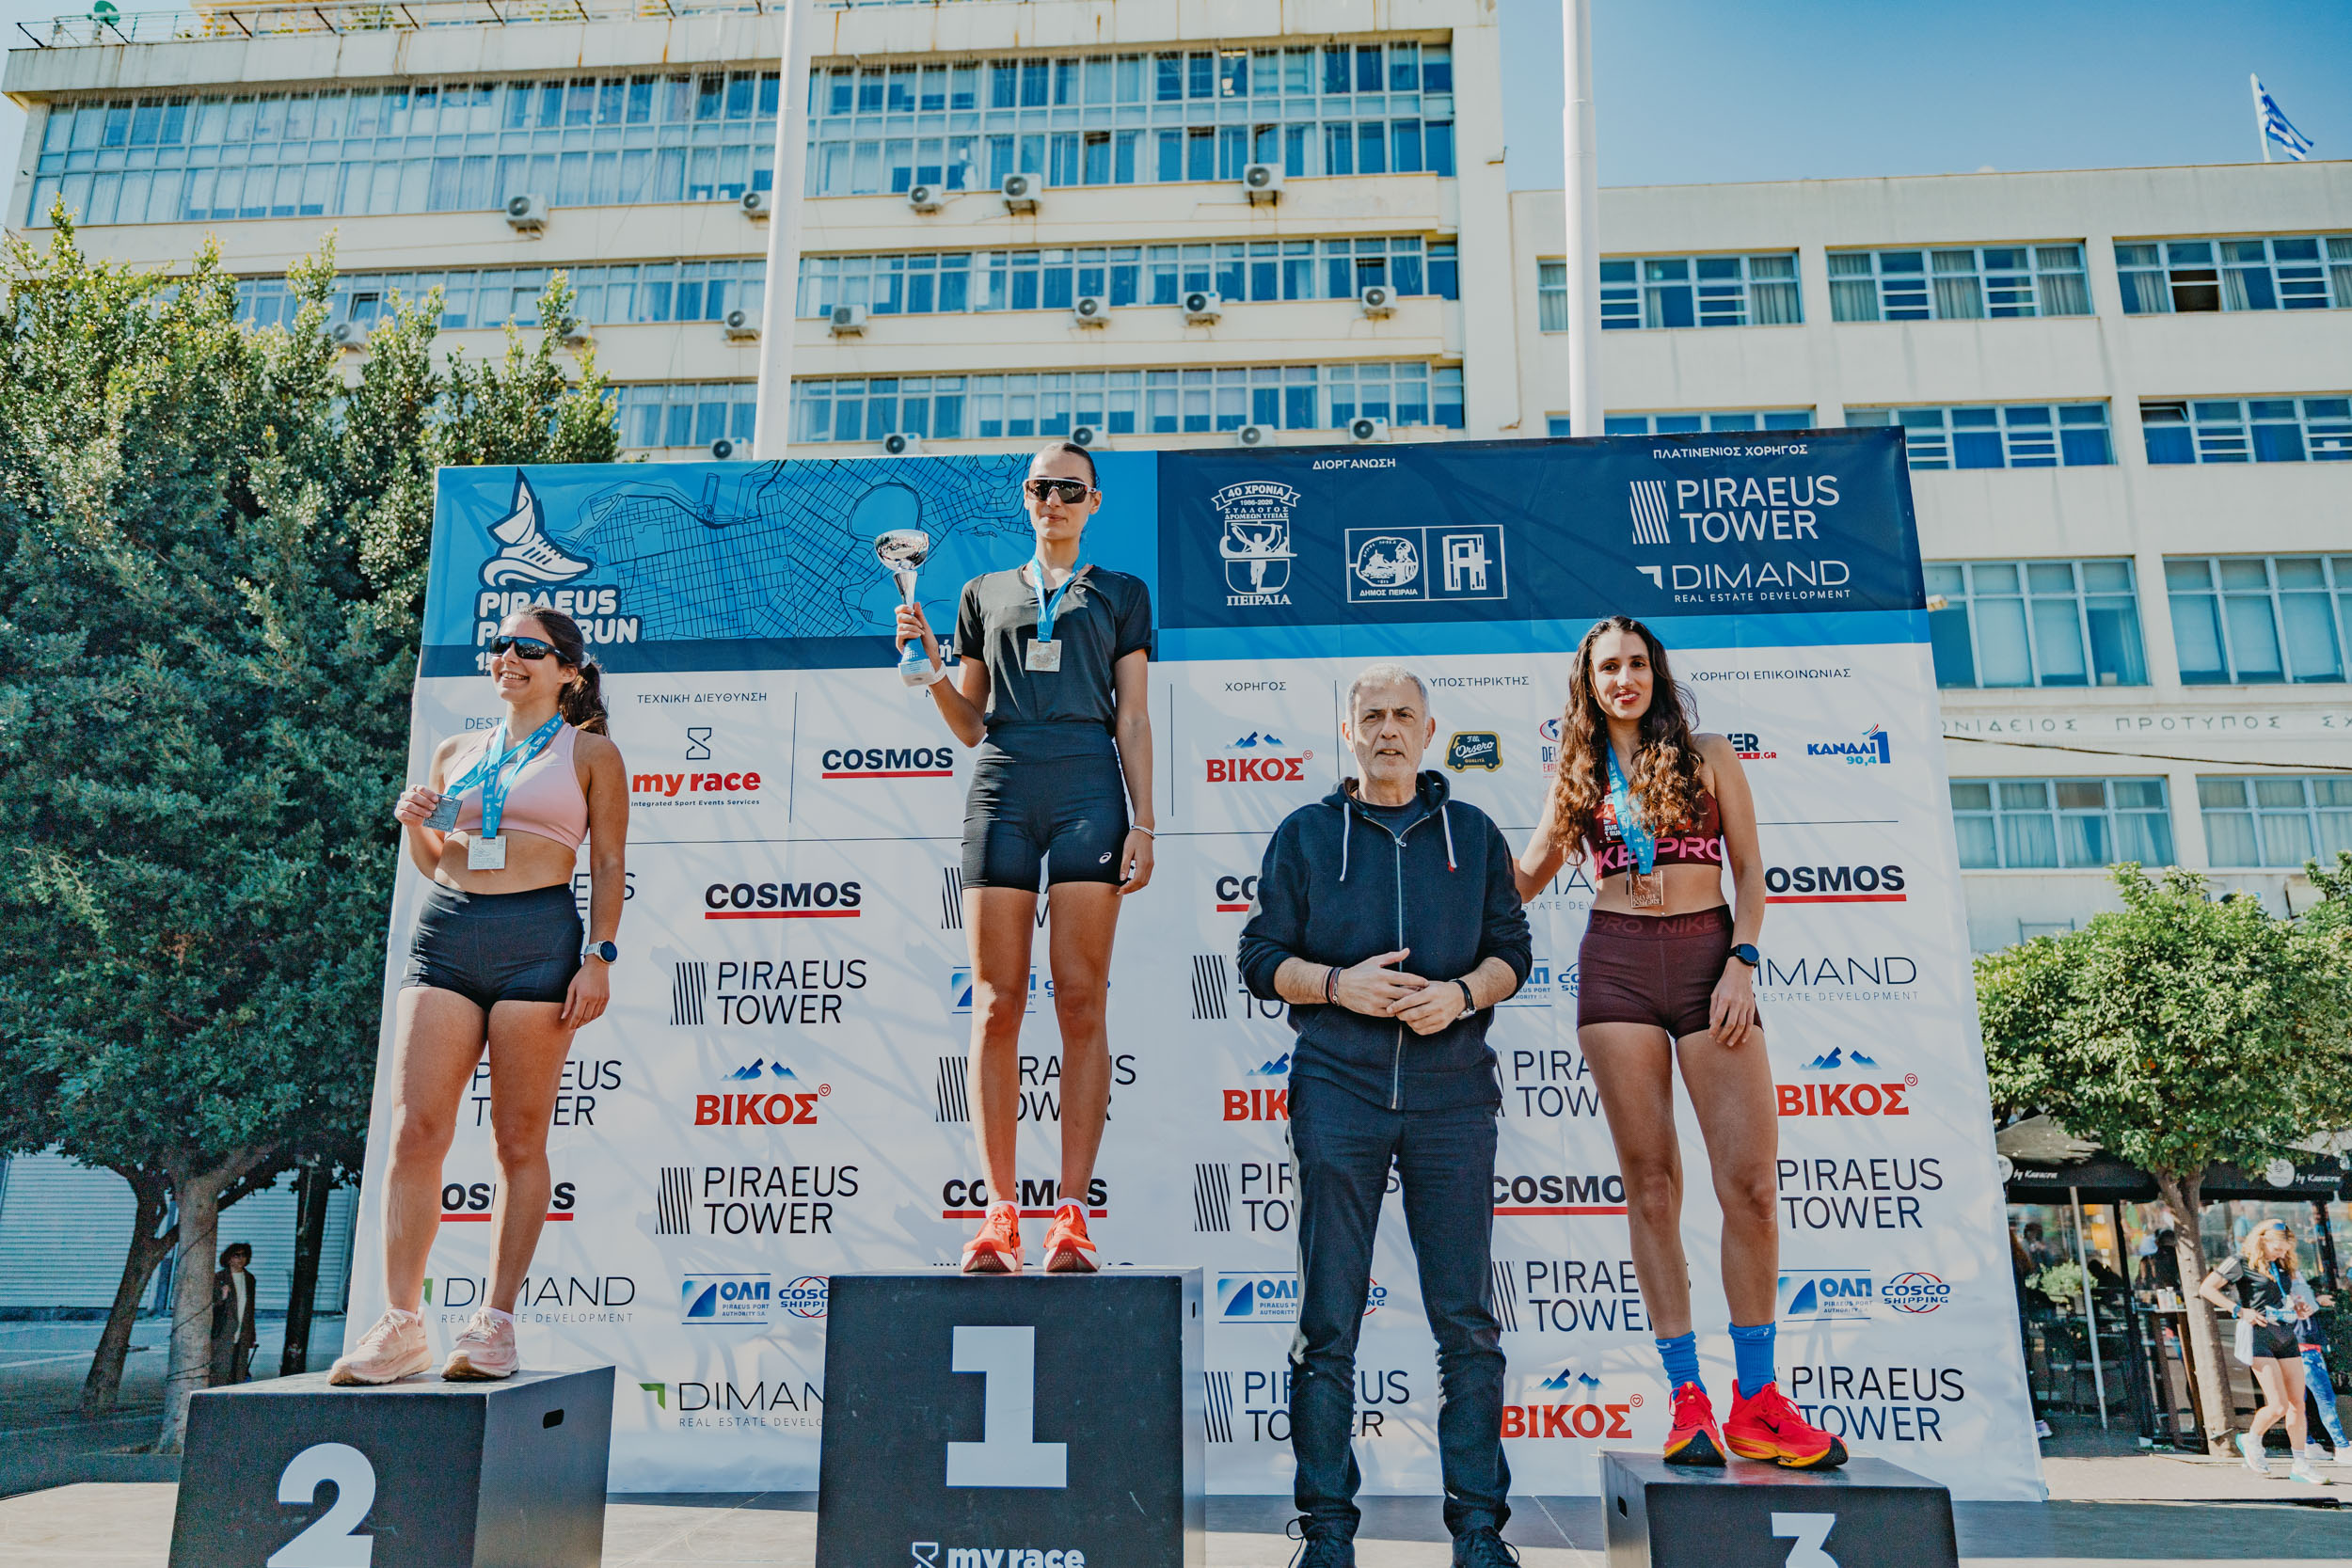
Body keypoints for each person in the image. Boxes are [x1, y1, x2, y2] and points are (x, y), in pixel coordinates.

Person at [1514, 615, 1844, 1471]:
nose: (1623, 679)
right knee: (1653, 1187)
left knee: (1753, 1189)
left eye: (1635, 663)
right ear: (1588, 684)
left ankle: (1758, 1402)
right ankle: (1687, 1395)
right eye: (1606, 668)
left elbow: (1753, 874)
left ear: (1655, 671)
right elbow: (1520, 880)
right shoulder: (1577, 774)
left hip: (1709, 962)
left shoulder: (1709, 753)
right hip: (1616, 968)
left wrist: (1742, 960)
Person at [1237, 664, 1530, 1568]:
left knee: (1466, 1323)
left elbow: (1513, 953)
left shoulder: (1473, 834)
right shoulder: (1305, 833)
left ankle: (1479, 1532)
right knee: (1328, 1321)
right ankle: (1327, 1533)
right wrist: (1338, 985)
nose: (1389, 729)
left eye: (1404, 714)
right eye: (1372, 716)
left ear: (1430, 730)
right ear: (1349, 731)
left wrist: (1461, 994)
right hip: (1339, 1090)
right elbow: (1259, 957)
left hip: (1453, 1096)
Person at [330, 607, 628, 1385]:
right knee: (415, 1131)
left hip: (539, 939)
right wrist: (414, 825)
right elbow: (437, 861)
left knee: (518, 1141)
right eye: (500, 644)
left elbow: (607, 862)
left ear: (567, 670)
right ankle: (402, 1324)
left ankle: (495, 1321)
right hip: (448, 932)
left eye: (529, 648)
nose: (508, 657)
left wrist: (599, 957)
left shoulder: (591, 752)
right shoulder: (455, 751)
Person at [896, 442, 1155, 1275]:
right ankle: (999, 1213)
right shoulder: (983, 593)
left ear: (1094, 502)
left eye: (1070, 489)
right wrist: (930, 670)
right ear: (1025, 496)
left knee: (1080, 1001)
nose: (1055, 500)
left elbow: (1133, 717)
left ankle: (1071, 1214)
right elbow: (970, 725)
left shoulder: (1122, 592)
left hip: (1088, 786)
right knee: (996, 1004)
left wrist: (1146, 822)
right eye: (1042, 487)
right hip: (1003, 784)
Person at [2200, 1218, 2328, 1484]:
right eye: (2277, 1248)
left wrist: (2298, 1308)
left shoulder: (2282, 1264)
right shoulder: (2240, 1261)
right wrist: (2238, 1310)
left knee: (2297, 1403)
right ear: (2262, 1240)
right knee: (2278, 1405)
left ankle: (2301, 1464)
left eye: (2285, 1249)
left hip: (2286, 1333)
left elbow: (2281, 1297)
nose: (2281, 1253)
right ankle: (2252, 1439)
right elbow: (2206, 1288)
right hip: (2258, 1335)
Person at [2289, 1273, 2348, 1463]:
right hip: (2306, 1347)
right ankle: (2342, 1446)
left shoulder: (2282, 1278)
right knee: (2325, 1398)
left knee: (2299, 1401)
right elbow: (2306, 1306)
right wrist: (2317, 1300)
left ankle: (2308, 1444)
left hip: (2296, 1346)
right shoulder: (2288, 1278)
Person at [209, 1242, 258, 1386]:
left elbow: (250, 1308)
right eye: (237, 1255)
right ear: (229, 1258)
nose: (241, 1259)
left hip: (243, 1330)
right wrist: (222, 1297)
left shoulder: (249, 1279)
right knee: (221, 1368)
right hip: (223, 1330)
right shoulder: (220, 1277)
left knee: (239, 1368)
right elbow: (212, 1304)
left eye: (244, 1255)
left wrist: (252, 1334)